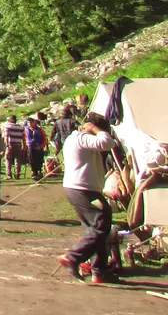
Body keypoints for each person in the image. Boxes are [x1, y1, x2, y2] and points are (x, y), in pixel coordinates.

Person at [56, 113, 117, 284]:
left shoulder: (77, 139)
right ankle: (73, 257)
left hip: (83, 189)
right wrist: (95, 129)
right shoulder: (82, 138)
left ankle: (98, 271)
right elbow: (108, 143)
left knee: (96, 230)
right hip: (83, 190)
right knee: (101, 222)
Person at [3, 115, 26, 180]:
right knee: (18, 160)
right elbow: (23, 138)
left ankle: (9, 174)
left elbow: (6, 136)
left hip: (11, 144)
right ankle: (17, 173)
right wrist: (24, 145)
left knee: (8, 160)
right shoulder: (21, 128)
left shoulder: (8, 127)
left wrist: (7, 145)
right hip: (18, 144)